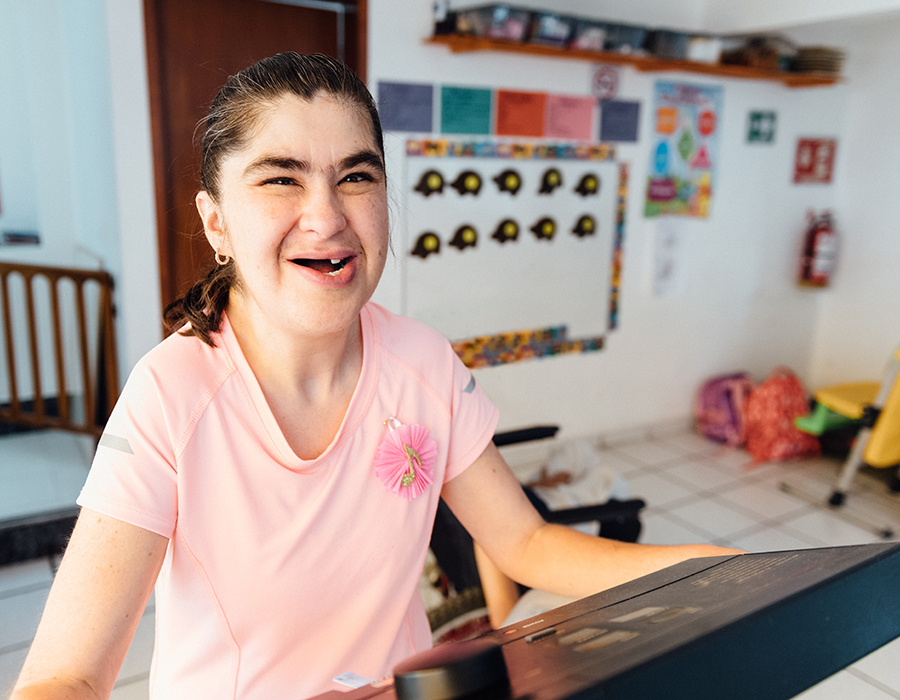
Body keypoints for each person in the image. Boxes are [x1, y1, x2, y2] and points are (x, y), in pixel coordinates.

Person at [11, 53, 740, 700]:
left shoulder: (422, 364)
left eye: (355, 176)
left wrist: (697, 566)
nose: (326, 217)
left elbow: (524, 543)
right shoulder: (169, 397)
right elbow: (68, 675)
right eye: (280, 179)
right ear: (216, 223)